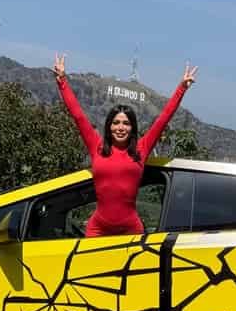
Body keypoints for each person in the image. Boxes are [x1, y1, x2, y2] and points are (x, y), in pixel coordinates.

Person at [53, 54, 198, 237]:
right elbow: (78, 116)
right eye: (116, 123)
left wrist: (182, 88)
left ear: (132, 128)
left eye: (126, 123)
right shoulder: (96, 146)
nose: (120, 127)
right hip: (98, 229)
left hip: (131, 230)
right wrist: (62, 81)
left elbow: (163, 119)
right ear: (109, 126)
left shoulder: (141, 149)